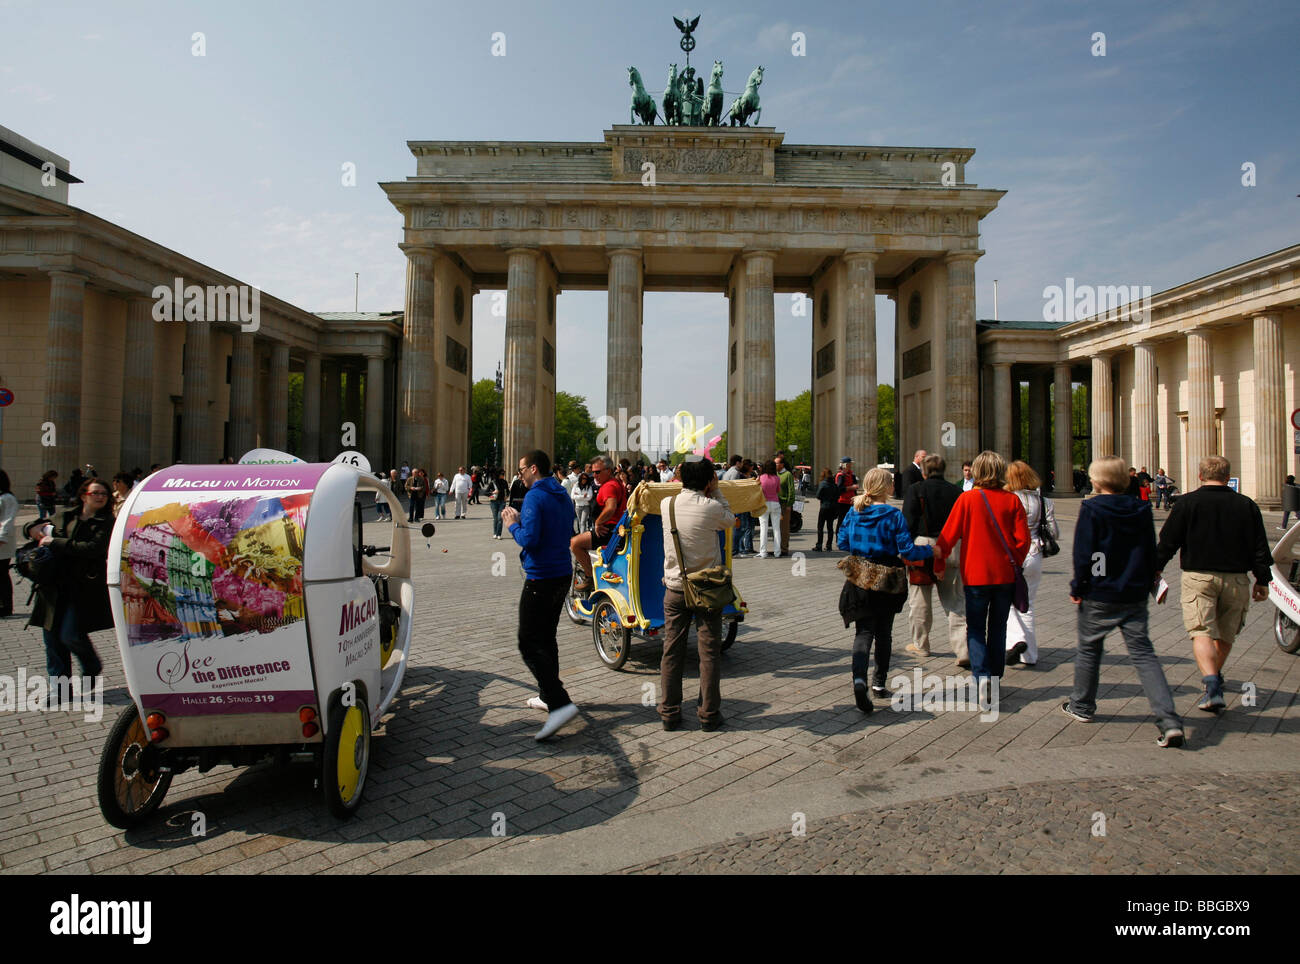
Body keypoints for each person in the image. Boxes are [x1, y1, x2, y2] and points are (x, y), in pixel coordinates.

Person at [1064, 455, 1185, 747]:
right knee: (1144, 654)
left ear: (1098, 480)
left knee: (1090, 649)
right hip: (1133, 590)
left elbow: (1085, 553)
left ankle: (1081, 706)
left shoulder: (1092, 508)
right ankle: (1169, 720)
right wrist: (1149, 580)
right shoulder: (1141, 509)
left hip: (1100, 590)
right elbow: (1149, 550)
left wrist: (1079, 585)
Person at [1155, 455, 1272, 713]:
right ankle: (1214, 679)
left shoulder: (1187, 503)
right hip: (1237, 578)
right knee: (1227, 633)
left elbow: (1168, 541)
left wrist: (1155, 569)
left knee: (1202, 631)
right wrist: (1262, 580)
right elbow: (1260, 547)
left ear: (1200, 475)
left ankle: (1212, 685)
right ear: (1227, 476)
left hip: (1198, 577)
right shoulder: (1246, 505)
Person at [837, 467, 933, 712]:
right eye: (891, 483)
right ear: (887, 487)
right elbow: (908, 551)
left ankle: (859, 679)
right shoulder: (893, 515)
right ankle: (879, 683)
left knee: (863, 633)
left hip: (860, 578)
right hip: (887, 579)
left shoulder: (854, 511)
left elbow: (842, 542)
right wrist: (931, 550)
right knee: (884, 633)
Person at [933, 450, 1030, 691]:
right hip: (1004, 575)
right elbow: (1024, 540)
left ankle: (981, 674)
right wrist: (1014, 561)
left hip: (975, 575)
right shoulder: (1012, 500)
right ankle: (995, 677)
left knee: (975, 627)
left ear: (976, 472)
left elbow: (947, 537)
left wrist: (939, 564)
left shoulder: (967, 499)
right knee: (998, 627)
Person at [502, 449, 580, 740]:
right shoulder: (560, 492)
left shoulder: (535, 495)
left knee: (528, 642)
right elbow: (558, 529)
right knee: (547, 637)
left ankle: (560, 704)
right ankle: (548, 696)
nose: (519, 474)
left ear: (533, 468)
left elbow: (530, 540)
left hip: (541, 576)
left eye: (521, 470)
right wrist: (527, 519)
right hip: (561, 573)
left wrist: (513, 524)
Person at [659, 457, 737, 731]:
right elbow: (732, 521)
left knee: (671, 651)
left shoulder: (666, 504)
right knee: (709, 653)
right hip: (706, 590)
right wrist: (715, 490)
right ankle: (708, 714)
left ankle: (669, 713)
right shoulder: (712, 507)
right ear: (708, 480)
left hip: (675, 588)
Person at [28, 477, 114, 692]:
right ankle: (59, 689)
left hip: (83, 587)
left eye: (104, 493)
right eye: (96, 493)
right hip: (53, 585)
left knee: (70, 634)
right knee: (52, 639)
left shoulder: (106, 522)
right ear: (84, 494)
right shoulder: (65, 515)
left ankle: (91, 665)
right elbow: (37, 528)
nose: (101, 497)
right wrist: (32, 529)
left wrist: (55, 542)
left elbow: (93, 548)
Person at [901, 454, 968, 665]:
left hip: (923, 546)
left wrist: (906, 549)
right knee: (954, 600)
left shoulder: (916, 490)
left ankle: (921, 645)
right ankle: (964, 649)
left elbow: (908, 522)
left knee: (920, 599)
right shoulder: (957, 492)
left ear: (924, 471)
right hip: (951, 547)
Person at [1003, 460, 1058, 667]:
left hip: (1013, 555)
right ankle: (1030, 656)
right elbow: (1055, 533)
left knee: (1008, 600)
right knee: (1029, 604)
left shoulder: (1009, 499)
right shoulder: (1044, 502)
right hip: (1035, 554)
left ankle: (1017, 640)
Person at [570, 456, 626, 591]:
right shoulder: (615, 483)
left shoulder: (608, 486)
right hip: (616, 529)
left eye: (597, 472)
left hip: (609, 530)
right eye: (593, 472)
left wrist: (598, 523)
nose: (594, 475)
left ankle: (590, 579)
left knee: (575, 543)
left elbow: (611, 507)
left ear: (608, 470)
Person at [0, 471, 17, 618]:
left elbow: (8, 520)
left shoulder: (7, 498)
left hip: (2, 543)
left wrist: (1, 538)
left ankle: (6, 606)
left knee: (2, 575)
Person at [756, 460, 782, 558]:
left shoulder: (760, 478)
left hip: (764, 504)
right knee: (776, 529)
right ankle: (777, 552)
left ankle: (763, 552)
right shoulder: (777, 478)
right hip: (775, 503)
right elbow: (778, 490)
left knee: (764, 529)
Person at [813, 468, 839, 551]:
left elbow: (818, 495)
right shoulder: (834, 484)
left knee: (820, 526)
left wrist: (823, 498)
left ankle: (819, 545)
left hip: (824, 506)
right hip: (832, 507)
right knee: (830, 527)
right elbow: (837, 495)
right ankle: (829, 545)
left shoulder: (823, 483)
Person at [775, 453, 794, 552]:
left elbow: (791, 490)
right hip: (775, 504)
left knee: (784, 528)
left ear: (782, 464)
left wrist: (789, 504)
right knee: (776, 527)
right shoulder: (775, 474)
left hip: (784, 505)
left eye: (776, 463)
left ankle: (784, 548)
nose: (775, 465)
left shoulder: (788, 475)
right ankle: (777, 547)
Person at [834, 456, 857, 537]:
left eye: (850, 464)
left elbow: (854, 486)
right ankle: (839, 537)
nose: (850, 465)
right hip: (842, 502)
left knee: (851, 520)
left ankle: (848, 537)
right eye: (849, 464)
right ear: (844, 465)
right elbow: (839, 489)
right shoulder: (840, 475)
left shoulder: (851, 474)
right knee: (841, 521)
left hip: (851, 501)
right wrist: (851, 488)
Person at [489, 467, 508, 539]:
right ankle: (495, 533)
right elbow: (486, 492)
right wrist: (492, 492)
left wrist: (507, 496)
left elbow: (507, 491)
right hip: (494, 502)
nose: (503, 475)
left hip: (502, 502)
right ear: (498, 474)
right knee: (495, 518)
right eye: (502, 474)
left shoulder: (504, 482)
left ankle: (499, 533)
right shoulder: (493, 482)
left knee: (500, 518)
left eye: (504, 474)